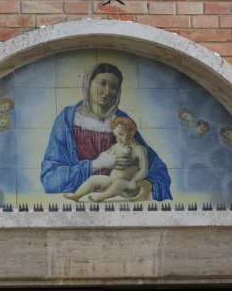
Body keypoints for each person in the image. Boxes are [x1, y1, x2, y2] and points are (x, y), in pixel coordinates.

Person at [41, 63, 172, 201]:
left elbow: (157, 170)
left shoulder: (122, 122)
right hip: (81, 203)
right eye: (102, 83)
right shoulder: (67, 120)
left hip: (119, 198)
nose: (107, 91)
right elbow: (50, 178)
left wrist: (148, 184)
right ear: (88, 84)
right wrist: (96, 164)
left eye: (114, 87)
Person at [63, 116, 149, 202]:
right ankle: (76, 195)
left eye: (121, 134)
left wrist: (135, 180)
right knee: (94, 179)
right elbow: (107, 158)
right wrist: (110, 156)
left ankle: (100, 198)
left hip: (129, 185)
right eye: (116, 135)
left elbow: (144, 170)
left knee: (118, 183)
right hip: (112, 182)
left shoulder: (139, 149)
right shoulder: (116, 146)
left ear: (131, 132)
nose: (118, 138)